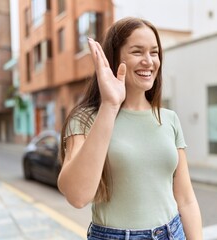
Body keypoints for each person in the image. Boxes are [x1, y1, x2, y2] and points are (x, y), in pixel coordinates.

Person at [58, 17, 203, 240]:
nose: (149, 61)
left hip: (172, 233)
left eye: (154, 53)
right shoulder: (86, 119)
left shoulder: (169, 119)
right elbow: (77, 196)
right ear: (115, 58)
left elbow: (186, 199)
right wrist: (110, 105)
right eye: (137, 52)